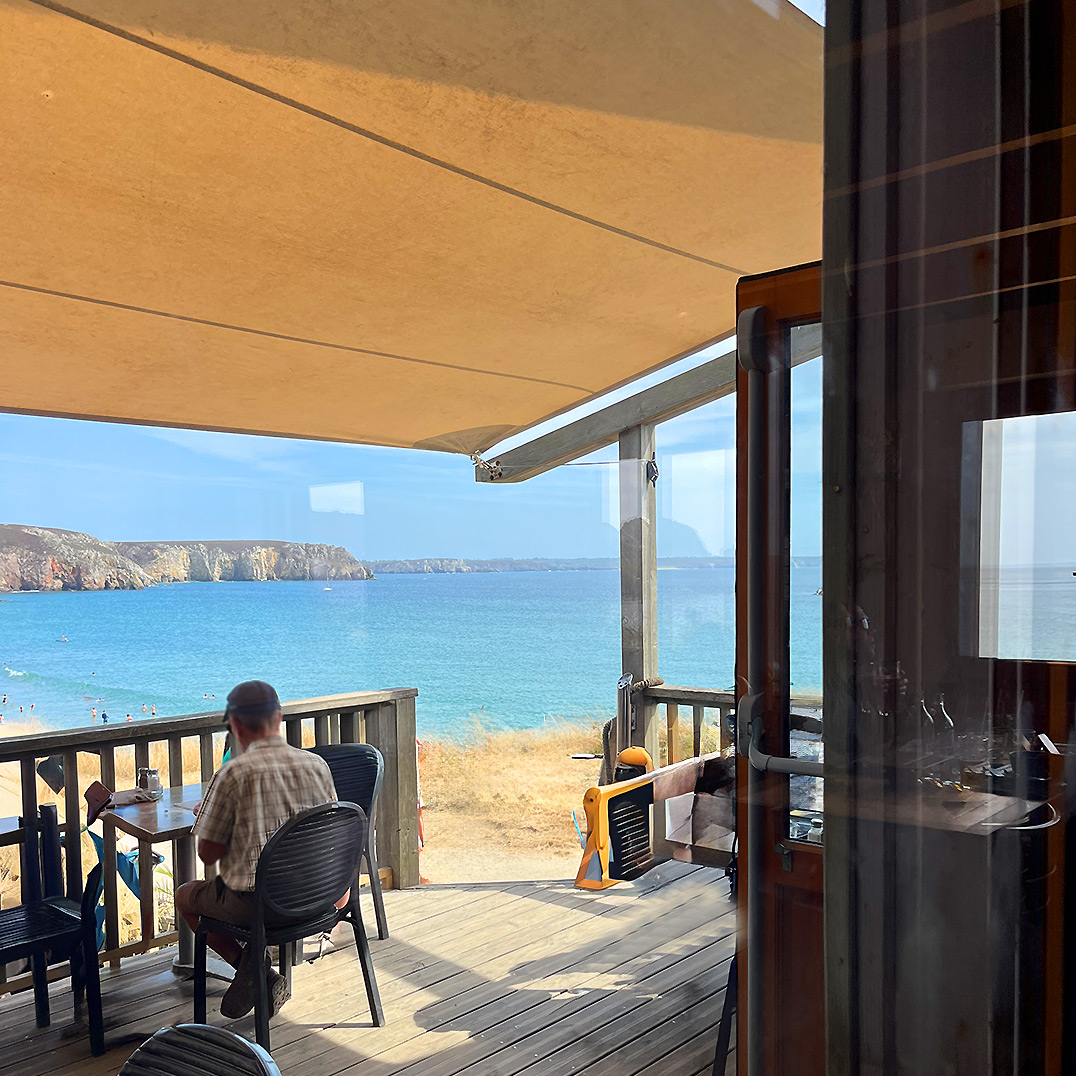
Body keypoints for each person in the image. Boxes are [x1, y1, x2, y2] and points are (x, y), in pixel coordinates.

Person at [175, 680, 339, 1021]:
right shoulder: (317, 766)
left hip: (263, 908)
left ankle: (253, 969)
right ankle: (256, 971)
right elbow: (330, 833)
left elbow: (207, 855)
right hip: (317, 900)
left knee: (185, 896)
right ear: (278, 720)